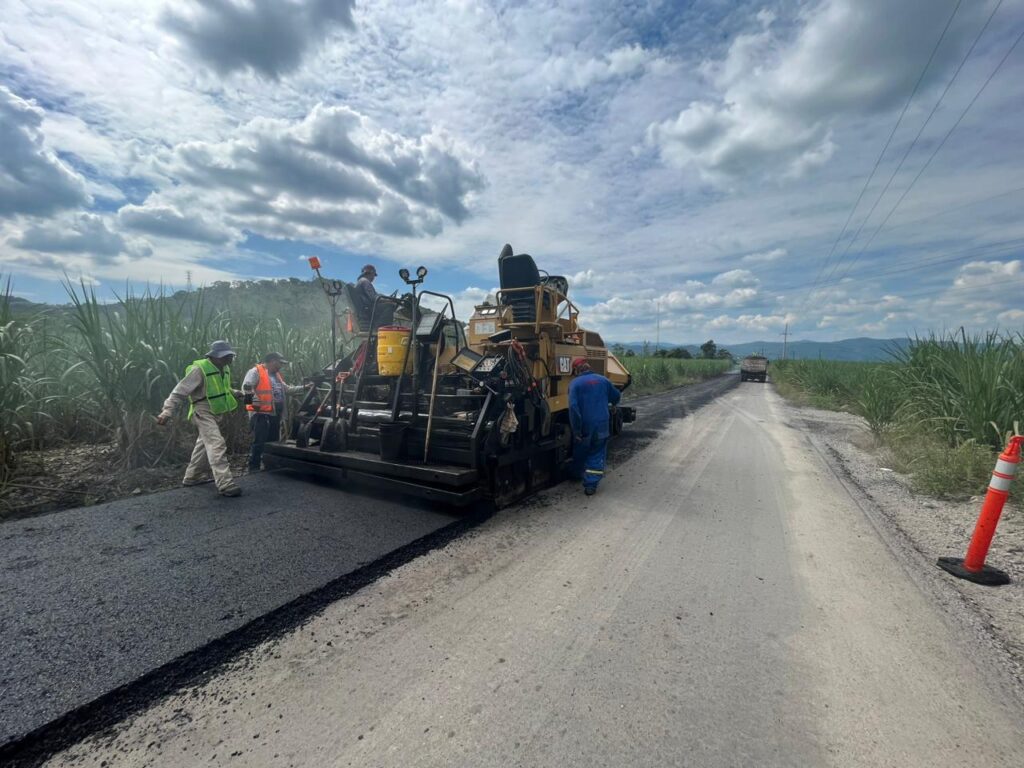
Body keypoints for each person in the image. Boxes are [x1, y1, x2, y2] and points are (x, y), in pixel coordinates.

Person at [156, 340, 243, 497]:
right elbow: (179, 391)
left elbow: (224, 388)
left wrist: (236, 393)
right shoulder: (199, 369)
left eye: (230, 356)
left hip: (216, 412)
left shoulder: (224, 368)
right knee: (216, 444)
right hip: (202, 411)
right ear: (214, 356)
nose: (229, 359)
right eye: (226, 356)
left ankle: (191, 477)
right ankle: (225, 484)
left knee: (203, 445)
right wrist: (167, 411)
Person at [242, 352, 309, 472]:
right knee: (259, 441)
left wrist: (305, 387)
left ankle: (269, 465)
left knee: (272, 440)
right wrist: (254, 407)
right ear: (273, 361)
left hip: (274, 413)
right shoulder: (255, 372)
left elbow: (287, 389)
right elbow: (246, 388)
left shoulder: (276, 375)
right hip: (260, 414)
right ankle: (254, 467)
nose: (281, 366)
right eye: (280, 363)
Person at [568, 357, 621, 496]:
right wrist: (614, 404)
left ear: (576, 370)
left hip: (585, 424)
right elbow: (616, 396)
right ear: (589, 367)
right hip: (602, 423)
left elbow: (573, 408)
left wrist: (576, 430)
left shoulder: (575, 384)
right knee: (597, 452)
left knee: (581, 449)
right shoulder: (603, 380)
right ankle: (590, 485)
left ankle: (577, 474)